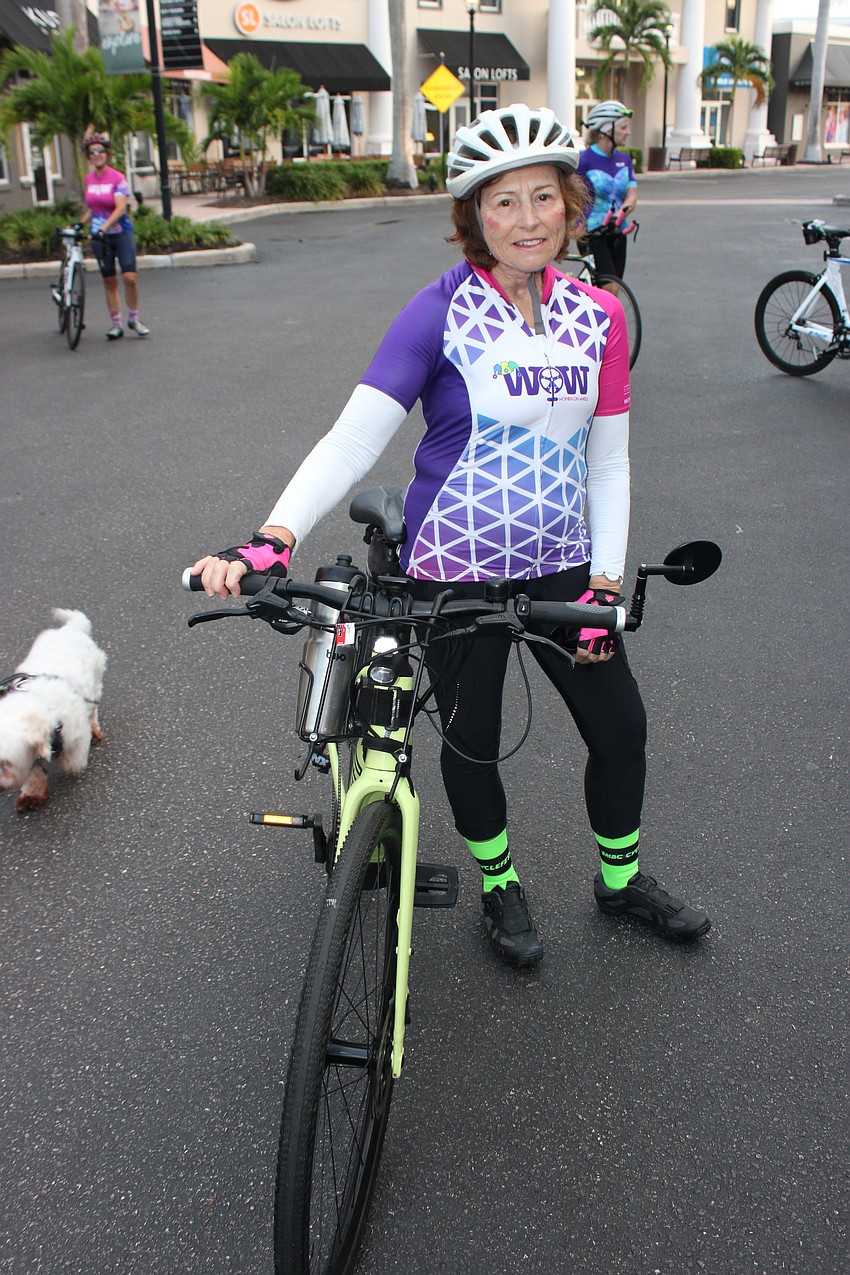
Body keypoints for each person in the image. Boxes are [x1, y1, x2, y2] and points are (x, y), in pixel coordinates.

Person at [189, 103, 710, 966]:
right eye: (503, 202)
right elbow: (353, 438)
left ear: (572, 207)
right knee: (473, 740)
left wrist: (605, 588)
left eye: (544, 197)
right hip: (452, 566)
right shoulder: (437, 313)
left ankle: (621, 880)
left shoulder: (600, 318)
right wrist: (271, 536)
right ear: (472, 215)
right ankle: (499, 884)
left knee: (620, 728)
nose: (528, 219)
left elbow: (609, 464)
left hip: (565, 566)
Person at [79, 133, 150, 341]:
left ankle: (134, 319)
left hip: (120, 233)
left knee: (130, 278)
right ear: (88, 157)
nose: (96, 155)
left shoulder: (117, 178)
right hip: (100, 237)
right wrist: (81, 222)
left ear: (107, 153)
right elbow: (94, 208)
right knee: (109, 280)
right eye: (92, 152)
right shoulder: (89, 179)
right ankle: (116, 324)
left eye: (100, 150)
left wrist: (104, 227)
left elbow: (119, 209)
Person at [576, 101, 638, 287]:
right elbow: (571, 197)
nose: (627, 132)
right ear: (605, 129)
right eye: (623, 127)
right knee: (609, 289)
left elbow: (632, 195)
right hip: (592, 233)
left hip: (618, 231)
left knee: (615, 289)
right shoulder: (584, 160)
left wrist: (621, 213)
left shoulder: (625, 159)